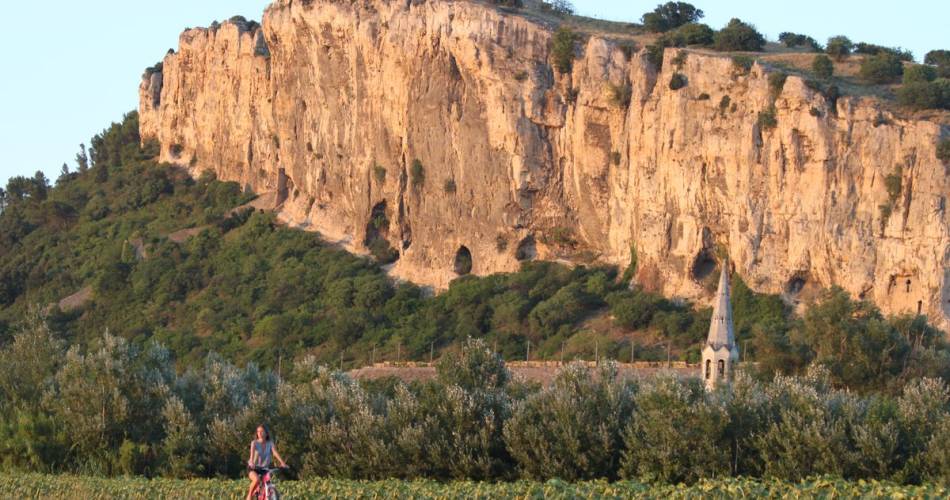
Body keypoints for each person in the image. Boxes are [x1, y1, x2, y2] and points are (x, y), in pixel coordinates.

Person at [245, 424, 287, 500]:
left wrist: (282, 463)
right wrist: (251, 462)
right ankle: (249, 495)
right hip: (253, 468)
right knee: (256, 480)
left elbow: (275, 453)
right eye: (258, 431)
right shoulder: (254, 443)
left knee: (268, 482)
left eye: (261, 431)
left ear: (266, 433)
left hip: (264, 468)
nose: (259, 433)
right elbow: (252, 455)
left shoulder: (270, 443)